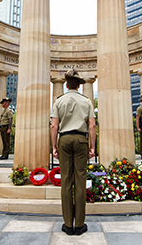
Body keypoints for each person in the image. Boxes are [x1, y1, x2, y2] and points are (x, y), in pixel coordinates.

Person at [51, 69, 96, 236]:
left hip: (64, 139)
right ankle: (80, 225)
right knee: (80, 180)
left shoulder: (59, 101)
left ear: (66, 84)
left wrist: (54, 147)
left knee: (66, 181)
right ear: (78, 85)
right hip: (81, 140)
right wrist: (92, 147)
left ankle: (68, 224)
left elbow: (54, 126)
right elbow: (92, 126)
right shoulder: (87, 101)